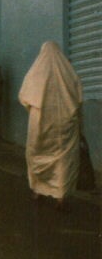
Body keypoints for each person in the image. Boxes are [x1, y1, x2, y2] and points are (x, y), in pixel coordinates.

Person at [18, 41, 83, 209]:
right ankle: (60, 195)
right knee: (63, 157)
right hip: (64, 122)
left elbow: (24, 96)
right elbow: (79, 97)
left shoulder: (36, 72)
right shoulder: (68, 72)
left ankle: (37, 190)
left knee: (36, 153)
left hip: (40, 121)